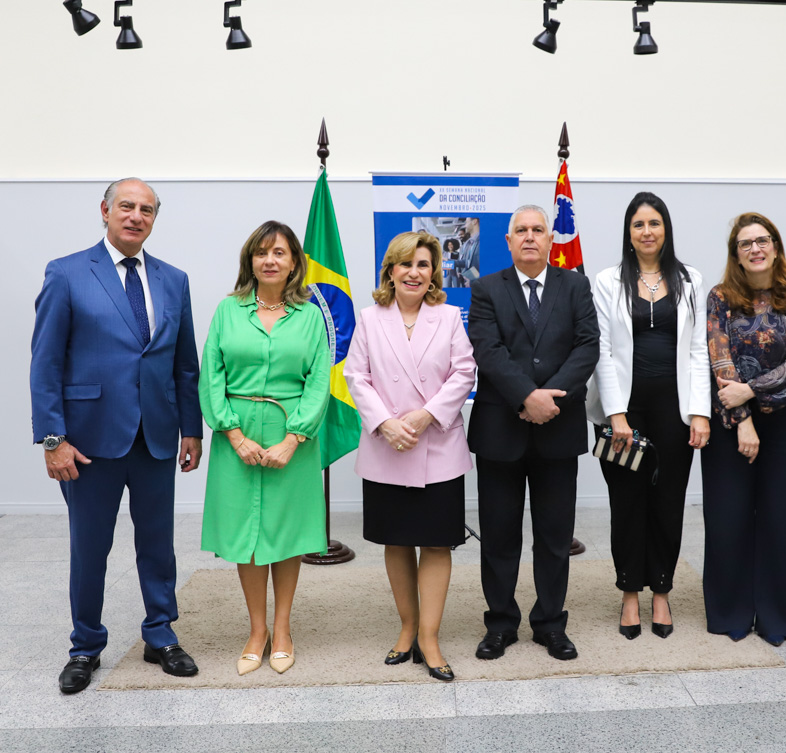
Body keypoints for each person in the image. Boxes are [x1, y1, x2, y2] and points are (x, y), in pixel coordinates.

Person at [31, 178, 203, 694]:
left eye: (146, 210)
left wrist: (191, 429)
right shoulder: (66, 273)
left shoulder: (174, 280)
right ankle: (85, 645)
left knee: (158, 545)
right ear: (105, 210)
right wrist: (52, 438)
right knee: (90, 548)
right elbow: (45, 363)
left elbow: (184, 364)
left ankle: (160, 634)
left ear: (154, 219)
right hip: (87, 442)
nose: (136, 216)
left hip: (155, 436)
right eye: (126, 206)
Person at [467, 204, 599, 661]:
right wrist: (528, 397)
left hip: (558, 431)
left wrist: (550, 400)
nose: (528, 237)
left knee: (554, 535)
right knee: (500, 535)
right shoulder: (485, 288)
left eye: (537, 230)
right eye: (520, 230)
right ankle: (501, 623)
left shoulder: (576, 285)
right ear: (508, 242)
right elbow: (487, 349)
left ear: (549, 239)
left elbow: (587, 346)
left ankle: (549, 623)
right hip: (501, 430)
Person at [198, 221, 330, 676]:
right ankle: (256, 630)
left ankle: (284, 627)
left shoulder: (311, 316)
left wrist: (294, 439)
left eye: (279, 253)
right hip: (236, 434)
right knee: (247, 539)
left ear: (295, 262)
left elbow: (318, 383)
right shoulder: (227, 311)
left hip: (291, 433)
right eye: (261, 253)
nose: (269, 260)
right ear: (249, 260)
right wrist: (233, 433)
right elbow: (211, 375)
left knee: (286, 533)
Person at [344, 231, 476, 682]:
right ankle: (407, 627)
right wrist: (384, 423)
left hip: (437, 443)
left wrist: (426, 416)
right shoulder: (369, 317)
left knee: (437, 541)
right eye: (406, 264)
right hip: (387, 445)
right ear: (391, 271)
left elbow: (465, 372)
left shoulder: (450, 315)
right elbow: (355, 376)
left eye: (423, 264)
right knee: (397, 540)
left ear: (433, 272)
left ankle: (430, 637)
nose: (415, 272)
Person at [586, 192, 710, 640]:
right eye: (638, 224)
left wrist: (700, 413)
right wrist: (616, 414)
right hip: (624, 412)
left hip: (674, 413)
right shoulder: (607, 280)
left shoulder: (690, 279)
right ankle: (629, 594)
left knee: (668, 503)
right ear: (628, 232)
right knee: (627, 503)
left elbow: (699, 351)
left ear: (666, 228)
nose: (647, 232)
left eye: (654, 223)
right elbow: (600, 349)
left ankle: (661, 590)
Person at [701, 212, 786, 646]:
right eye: (745, 243)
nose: (755, 248)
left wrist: (749, 392)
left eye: (762, 240)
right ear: (736, 253)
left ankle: (779, 616)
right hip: (730, 424)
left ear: (775, 245)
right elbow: (719, 360)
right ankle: (730, 612)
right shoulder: (719, 297)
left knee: (782, 521)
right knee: (728, 519)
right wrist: (743, 420)